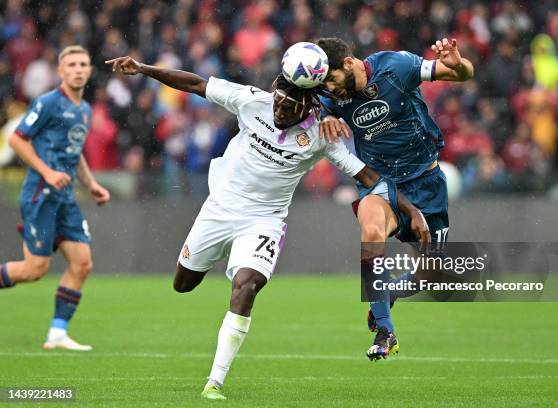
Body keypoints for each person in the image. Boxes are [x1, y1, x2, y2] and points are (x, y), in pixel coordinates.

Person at [106, 53, 429, 400]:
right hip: (220, 208)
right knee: (183, 284)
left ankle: (214, 382)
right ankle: (202, 274)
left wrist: (411, 209)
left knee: (247, 285)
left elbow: (367, 176)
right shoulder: (252, 102)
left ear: (307, 106)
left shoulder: (321, 135)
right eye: (279, 102)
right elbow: (196, 83)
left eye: (289, 108)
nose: (279, 111)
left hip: (264, 220)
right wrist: (144, 69)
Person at [315, 36, 474, 360]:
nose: (330, 89)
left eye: (331, 79)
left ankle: (384, 297)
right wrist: (325, 117)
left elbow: (463, 74)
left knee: (433, 276)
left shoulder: (396, 66)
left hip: (426, 182)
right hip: (381, 185)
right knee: (371, 232)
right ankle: (386, 332)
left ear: (348, 63)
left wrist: (458, 64)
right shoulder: (331, 95)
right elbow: (312, 108)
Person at [0, 46, 111, 351]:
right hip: (41, 194)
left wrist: (91, 184)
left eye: (83, 64)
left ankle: (57, 333)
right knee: (34, 270)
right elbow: (16, 139)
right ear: (61, 71)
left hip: (66, 198)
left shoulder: (84, 110)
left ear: (89, 71)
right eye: (71, 64)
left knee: (82, 263)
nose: (77, 69)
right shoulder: (48, 103)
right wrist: (47, 172)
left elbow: (75, 155)